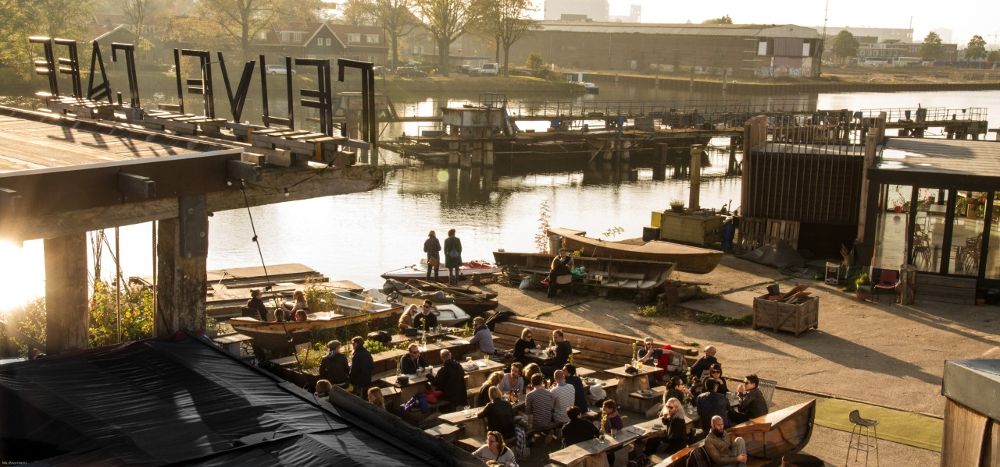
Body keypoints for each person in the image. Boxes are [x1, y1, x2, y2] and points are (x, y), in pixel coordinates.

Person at [600, 399, 624, 465]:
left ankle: (611, 463)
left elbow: (619, 428)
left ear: (611, 409)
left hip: (614, 437)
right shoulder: (606, 414)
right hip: (606, 434)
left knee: (609, 451)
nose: (603, 408)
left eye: (605, 407)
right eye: (603, 406)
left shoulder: (614, 417)